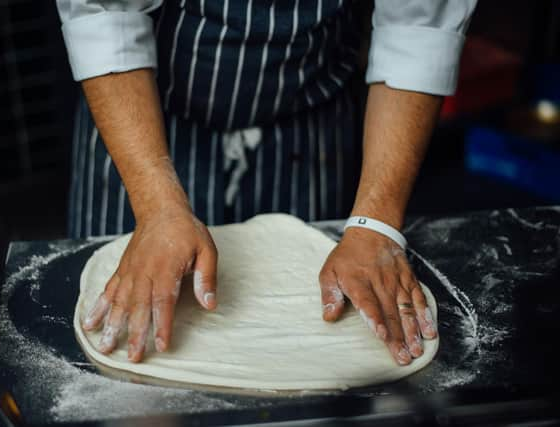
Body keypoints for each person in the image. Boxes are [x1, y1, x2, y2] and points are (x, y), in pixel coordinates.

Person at [56, 0, 476, 366]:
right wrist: (155, 203)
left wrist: (377, 222)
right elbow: (107, 14)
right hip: (142, 127)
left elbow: (418, 28)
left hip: (305, 128)